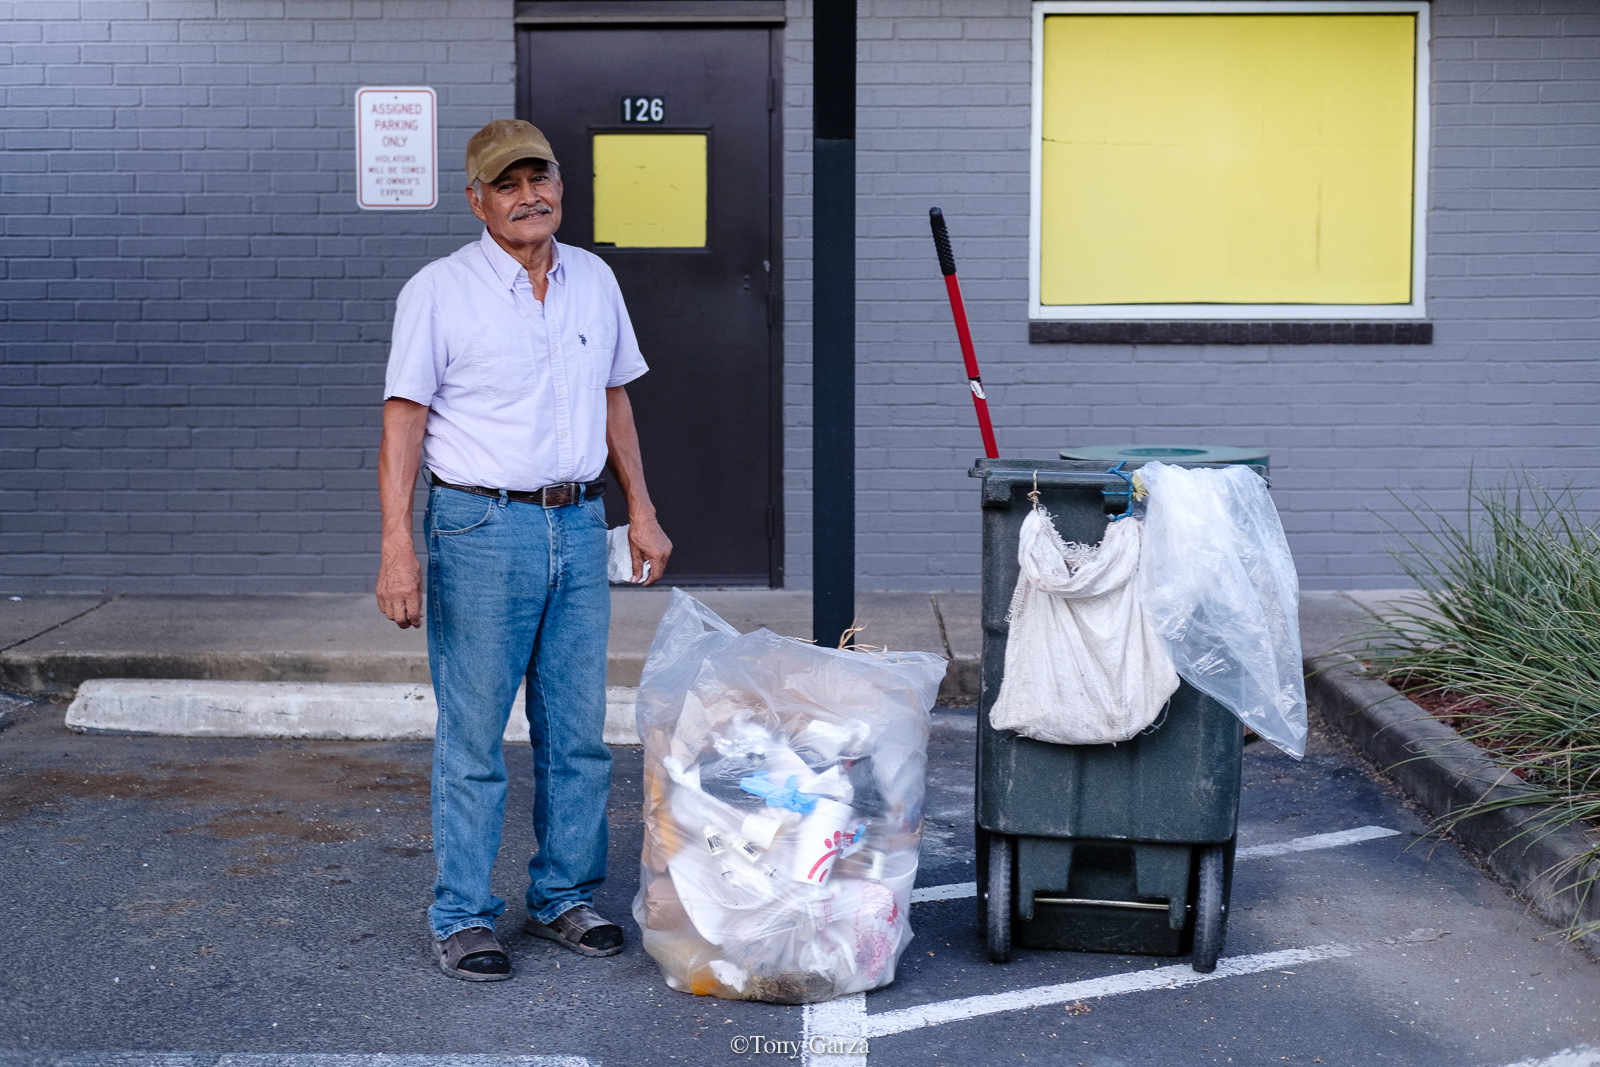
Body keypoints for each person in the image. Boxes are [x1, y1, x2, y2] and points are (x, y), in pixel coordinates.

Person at [375, 118, 671, 982]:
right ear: (477, 199)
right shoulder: (439, 291)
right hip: (478, 527)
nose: (528, 195)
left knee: (577, 732)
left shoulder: (595, 280)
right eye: (507, 184)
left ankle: (563, 897)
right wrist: (398, 545)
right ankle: (463, 914)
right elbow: (404, 419)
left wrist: (640, 509)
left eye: (539, 178)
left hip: (578, 525)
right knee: (473, 735)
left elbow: (614, 397)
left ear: (561, 188)